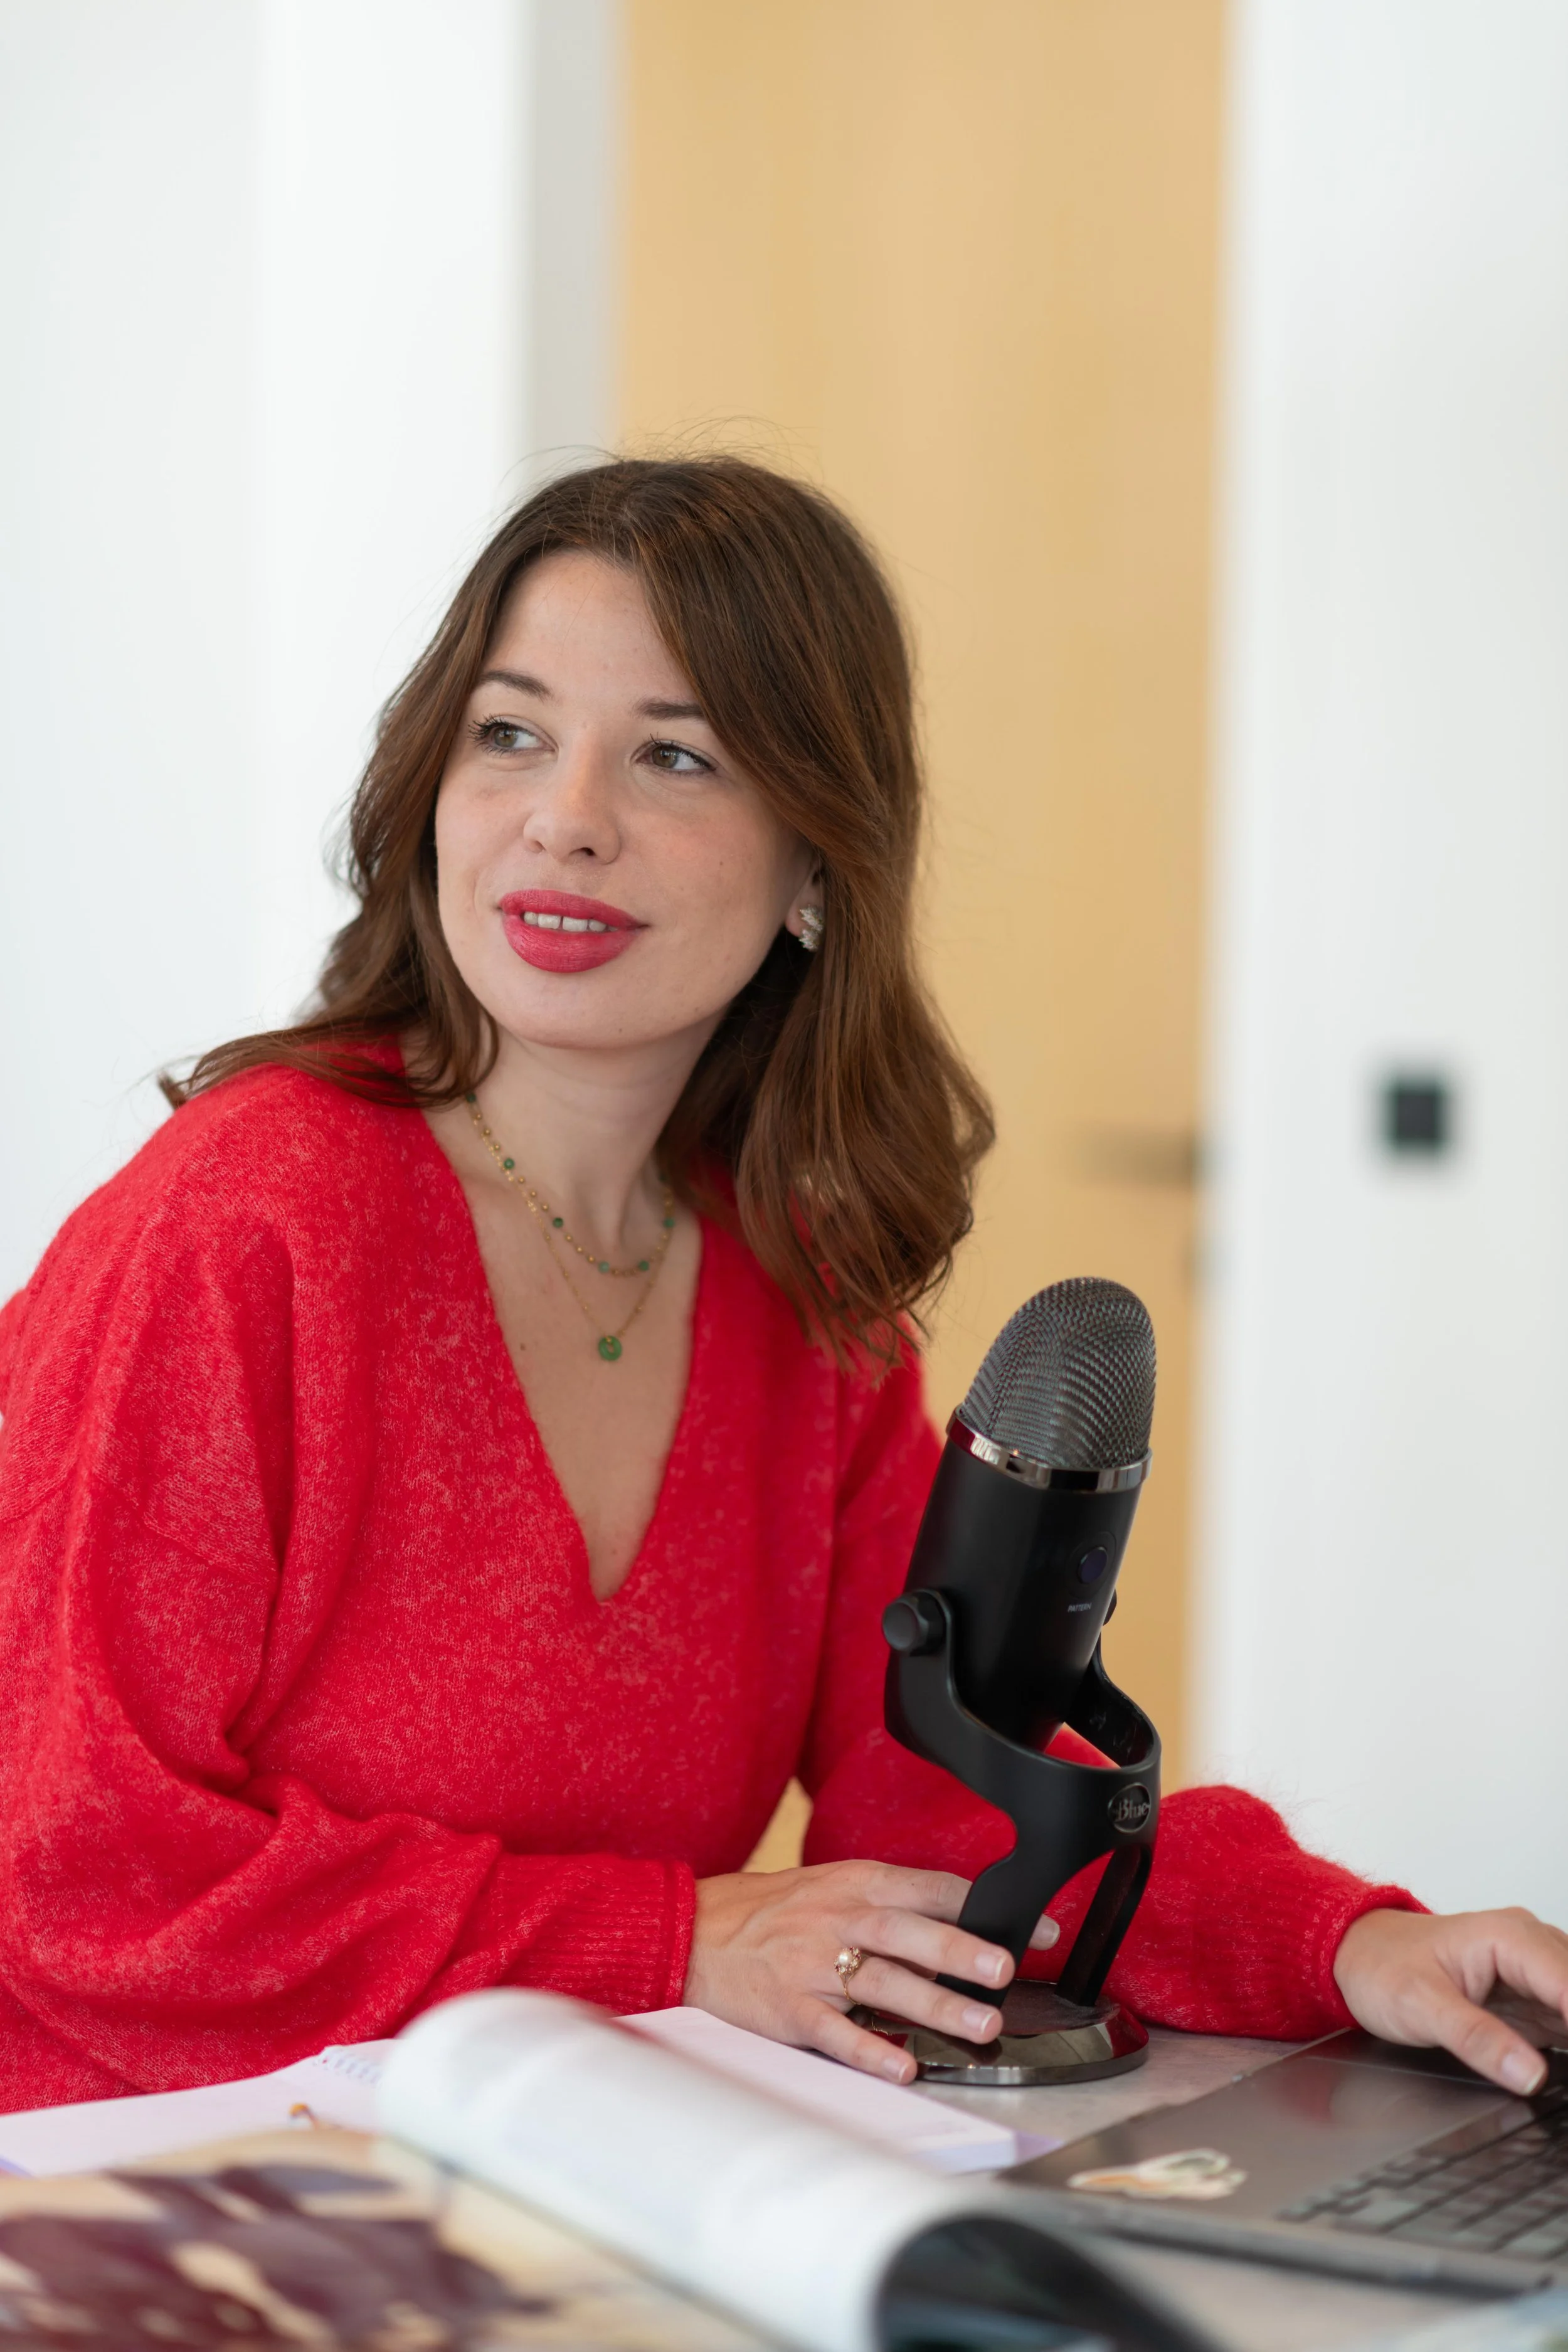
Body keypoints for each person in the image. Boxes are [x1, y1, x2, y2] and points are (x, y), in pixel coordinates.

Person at [0, 457, 1563, 2115]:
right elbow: (67, 1864)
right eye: (509, 732)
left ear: (815, 864)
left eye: (673, 754)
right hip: (126, 2183)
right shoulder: (244, 1220)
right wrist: (665, 1936)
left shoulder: (795, 1288)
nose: (567, 813)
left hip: (535, 2170)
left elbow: (950, 1791)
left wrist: (1334, 1944)